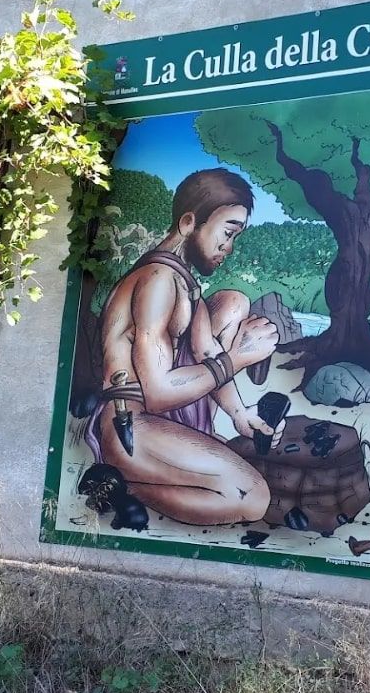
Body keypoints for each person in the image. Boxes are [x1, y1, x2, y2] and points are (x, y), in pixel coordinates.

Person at [86, 168, 280, 525]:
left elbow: (207, 354)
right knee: (252, 498)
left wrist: (240, 414)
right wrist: (240, 356)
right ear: (190, 222)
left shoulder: (185, 283)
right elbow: (158, 391)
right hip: (131, 428)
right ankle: (118, 483)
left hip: (155, 425)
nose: (229, 247)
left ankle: (133, 478)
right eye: (227, 232)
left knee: (233, 302)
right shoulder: (158, 280)